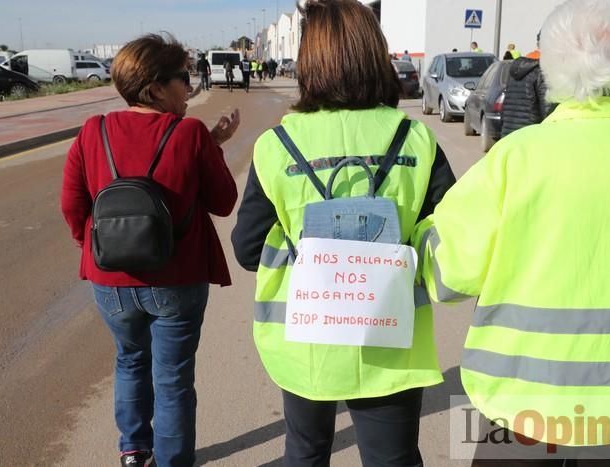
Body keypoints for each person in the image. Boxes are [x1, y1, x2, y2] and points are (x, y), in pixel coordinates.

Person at [414, 0, 610, 464]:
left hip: (516, 398)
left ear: (555, 64)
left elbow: (448, 272)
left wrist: (419, 236)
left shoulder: (515, 158)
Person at [231, 1, 455, 465]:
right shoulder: (416, 139)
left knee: (306, 452)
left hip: (307, 340)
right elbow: (448, 240)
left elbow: (248, 250)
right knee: (392, 459)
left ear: (309, 60)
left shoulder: (276, 147)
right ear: (375, 54)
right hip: (390, 338)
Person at [61, 34, 241, 467]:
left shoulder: (94, 131)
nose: (190, 85)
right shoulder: (189, 133)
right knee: (174, 378)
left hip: (111, 282)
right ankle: (173, 459)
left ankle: (133, 449)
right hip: (176, 279)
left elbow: (72, 204)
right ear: (156, 87)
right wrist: (211, 145)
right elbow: (223, 201)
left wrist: (94, 248)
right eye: (184, 77)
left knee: (129, 361)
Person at [500, 36, 550, 137]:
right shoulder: (541, 71)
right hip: (529, 136)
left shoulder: (516, 70)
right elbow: (548, 111)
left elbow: (505, 106)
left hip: (509, 132)